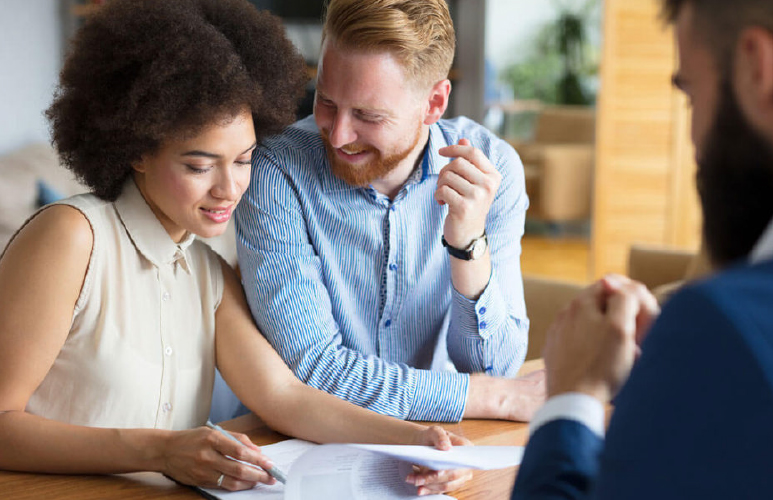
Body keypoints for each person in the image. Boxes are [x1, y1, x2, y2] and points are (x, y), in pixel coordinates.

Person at [0, 0, 473, 495]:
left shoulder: (207, 273)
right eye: (200, 166)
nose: (230, 189)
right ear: (136, 149)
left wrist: (421, 440)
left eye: (244, 160)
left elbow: (286, 397)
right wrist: (160, 450)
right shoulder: (73, 238)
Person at [512, 0, 773, 498]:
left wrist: (572, 397)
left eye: (692, 95)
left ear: (755, 67)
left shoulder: (729, 329)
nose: (696, 144)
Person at [225, 0, 544, 424]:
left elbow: (493, 368)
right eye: (325, 100)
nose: (338, 135)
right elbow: (314, 371)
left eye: (367, 115)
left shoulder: (492, 169)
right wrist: (489, 399)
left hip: (442, 447)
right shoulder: (276, 170)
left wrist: (468, 244)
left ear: (433, 103)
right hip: (299, 448)